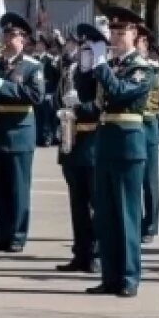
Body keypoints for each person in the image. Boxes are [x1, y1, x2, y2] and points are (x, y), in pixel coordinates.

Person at [73, 5, 153, 297]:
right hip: (104, 142)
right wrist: (84, 67)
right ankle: (110, 276)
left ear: (135, 34)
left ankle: (129, 277)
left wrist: (100, 65)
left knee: (126, 215)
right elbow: (88, 97)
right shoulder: (111, 65)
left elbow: (119, 94)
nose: (116, 37)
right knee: (105, 215)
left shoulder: (141, 68)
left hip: (128, 146)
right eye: (114, 32)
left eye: (122, 32)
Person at [0, 12, 46, 254]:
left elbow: (36, 96)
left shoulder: (32, 66)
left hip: (19, 132)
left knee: (18, 188)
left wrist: (4, 86)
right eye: (6, 34)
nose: (8, 39)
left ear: (24, 40)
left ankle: (18, 236)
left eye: (14, 35)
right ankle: (2, 234)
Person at [55, 28, 100, 273]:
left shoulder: (102, 73)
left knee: (97, 203)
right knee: (78, 204)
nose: (81, 52)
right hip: (72, 140)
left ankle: (96, 253)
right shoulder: (71, 71)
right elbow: (57, 96)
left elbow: (102, 106)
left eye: (86, 48)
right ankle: (81, 253)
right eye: (78, 46)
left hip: (93, 140)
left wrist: (80, 107)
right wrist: (61, 110)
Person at [136, 24, 159, 244]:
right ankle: (136, 221)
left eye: (140, 42)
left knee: (149, 180)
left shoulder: (153, 69)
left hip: (147, 126)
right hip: (133, 128)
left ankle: (151, 224)